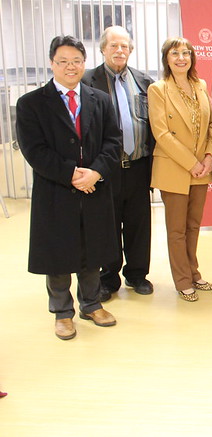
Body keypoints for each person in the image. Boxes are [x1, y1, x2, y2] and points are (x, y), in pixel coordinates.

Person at [16, 35, 121, 340]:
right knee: (58, 253)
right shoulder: (31, 103)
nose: (70, 67)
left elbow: (113, 142)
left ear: (84, 63)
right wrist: (73, 174)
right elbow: (34, 150)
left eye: (76, 61)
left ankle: (91, 303)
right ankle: (62, 312)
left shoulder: (100, 99)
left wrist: (96, 173)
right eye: (63, 61)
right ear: (52, 63)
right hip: (56, 189)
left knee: (92, 248)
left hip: (94, 188)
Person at [82, 25, 154, 301]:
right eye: (114, 45)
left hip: (138, 165)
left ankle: (137, 275)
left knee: (138, 224)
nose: (120, 50)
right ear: (103, 49)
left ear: (130, 50)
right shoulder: (88, 81)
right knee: (107, 224)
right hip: (105, 168)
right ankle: (108, 278)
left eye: (124, 46)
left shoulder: (144, 81)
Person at [148, 38, 212, 302]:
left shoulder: (201, 85)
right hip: (175, 168)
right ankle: (182, 280)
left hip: (202, 169)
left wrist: (210, 157)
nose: (181, 58)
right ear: (166, 58)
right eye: (175, 53)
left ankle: (193, 271)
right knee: (176, 230)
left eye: (186, 53)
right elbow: (161, 133)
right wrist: (192, 163)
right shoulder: (158, 89)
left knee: (193, 226)